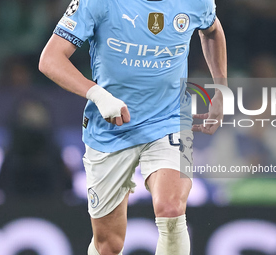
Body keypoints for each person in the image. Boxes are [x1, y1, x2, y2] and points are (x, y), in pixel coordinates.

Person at [39, 0, 227, 254]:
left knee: (171, 209)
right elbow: (50, 59)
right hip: (110, 127)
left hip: (168, 119)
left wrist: (221, 88)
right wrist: (98, 95)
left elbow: (212, 30)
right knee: (109, 245)